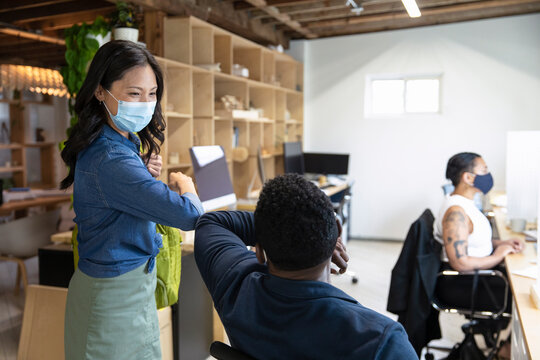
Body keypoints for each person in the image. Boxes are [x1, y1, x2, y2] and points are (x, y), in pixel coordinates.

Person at [60, 40, 204, 360]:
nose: (145, 103)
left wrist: (139, 170)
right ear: (100, 91)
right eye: (133, 93)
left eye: (152, 94)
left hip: (132, 289)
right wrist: (186, 184)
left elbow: (117, 189)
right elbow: (189, 215)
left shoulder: (122, 142)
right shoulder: (112, 158)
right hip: (112, 299)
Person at [194, 174, 417, 359]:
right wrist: (318, 229)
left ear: (260, 251)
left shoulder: (235, 287)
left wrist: (273, 227)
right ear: (337, 231)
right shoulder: (384, 342)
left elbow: (212, 222)